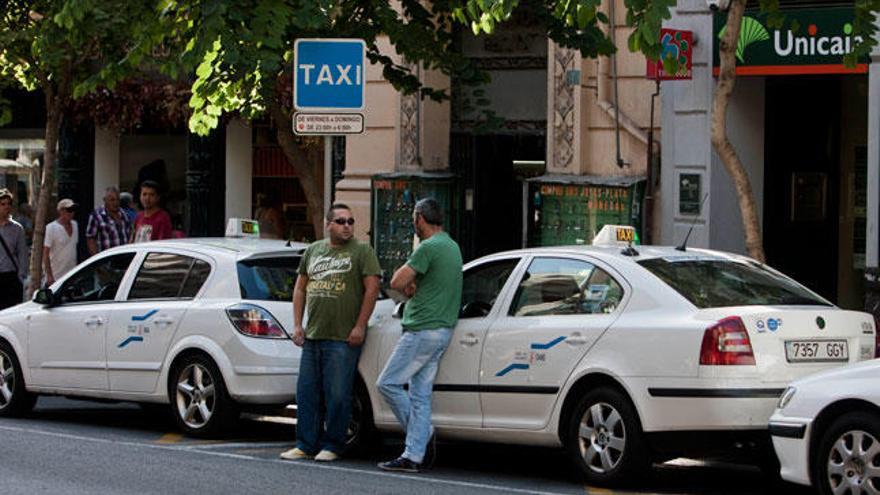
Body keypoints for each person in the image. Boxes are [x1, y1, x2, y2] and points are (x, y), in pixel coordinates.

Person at [280, 203, 381, 463]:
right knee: (307, 392)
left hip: (342, 337)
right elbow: (300, 288)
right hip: (313, 335)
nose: (347, 226)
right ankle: (305, 443)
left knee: (338, 394)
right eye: (341, 221)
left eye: (350, 221)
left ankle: (334, 444)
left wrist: (360, 325)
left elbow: (371, 290)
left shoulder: (362, 251)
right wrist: (298, 325)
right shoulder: (314, 250)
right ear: (328, 225)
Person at [376, 198, 463, 473]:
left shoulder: (429, 247)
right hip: (443, 330)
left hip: (422, 329)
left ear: (419, 219)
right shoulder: (451, 246)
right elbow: (431, 284)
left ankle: (420, 435)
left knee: (387, 383)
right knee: (420, 395)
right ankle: (413, 456)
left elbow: (396, 282)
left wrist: (410, 285)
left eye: (414, 218)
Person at [0, 188, 28, 310]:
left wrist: (21, 277)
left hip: (11, 277)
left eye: (9, 204)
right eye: (3, 204)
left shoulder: (17, 228)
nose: (7, 207)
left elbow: (23, 254)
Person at [86, 187, 132, 255]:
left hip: (125, 260)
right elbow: (90, 240)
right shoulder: (96, 216)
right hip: (106, 261)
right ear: (105, 200)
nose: (116, 203)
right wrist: (98, 261)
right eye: (112, 200)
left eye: (118, 199)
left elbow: (130, 236)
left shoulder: (125, 215)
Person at [43, 199, 79, 286]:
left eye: (73, 210)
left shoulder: (75, 225)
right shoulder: (51, 228)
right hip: (56, 276)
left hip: (71, 275)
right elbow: (45, 253)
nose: (72, 213)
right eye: (69, 210)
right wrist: (49, 275)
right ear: (61, 211)